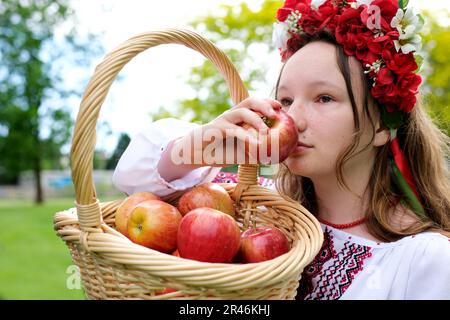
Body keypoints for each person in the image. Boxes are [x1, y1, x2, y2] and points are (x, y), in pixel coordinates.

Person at [112, 0, 450, 299]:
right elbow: (133, 184)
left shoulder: (422, 261)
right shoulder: (258, 209)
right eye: (286, 100)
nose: (294, 118)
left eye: (324, 98)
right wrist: (199, 147)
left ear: (381, 127)